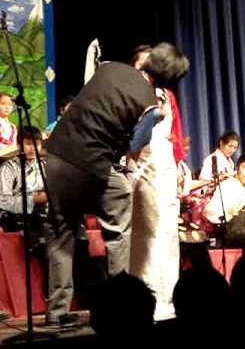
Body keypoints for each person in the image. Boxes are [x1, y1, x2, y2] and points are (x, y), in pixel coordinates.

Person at [44, 42, 189, 327]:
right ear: (168, 79)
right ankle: (117, 308)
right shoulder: (151, 105)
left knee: (62, 234)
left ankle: (56, 313)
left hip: (58, 156)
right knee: (118, 232)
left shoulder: (108, 69)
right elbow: (134, 145)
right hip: (96, 162)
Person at [128, 45, 188, 321]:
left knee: (168, 231)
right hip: (143, 161)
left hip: (164, 162)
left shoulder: (167, 95)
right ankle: (146, 297)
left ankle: (168, 296)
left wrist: (177, 164)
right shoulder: (134, 93)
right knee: (148, 229)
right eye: (141, 65)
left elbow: (174, 134)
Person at [0, 126, 47, 246]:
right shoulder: (8, 168)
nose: (33, 148)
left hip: (43, 215)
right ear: (18, 145)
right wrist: (34, 199)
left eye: (36, 144)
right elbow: (4, 202)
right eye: (28, 144)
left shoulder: (45, 166)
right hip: (17, 218)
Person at [0, 92, 17, 157]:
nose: (7, 107)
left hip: (11, 157)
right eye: (3, 104)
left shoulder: (12, 127)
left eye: (10, 105)